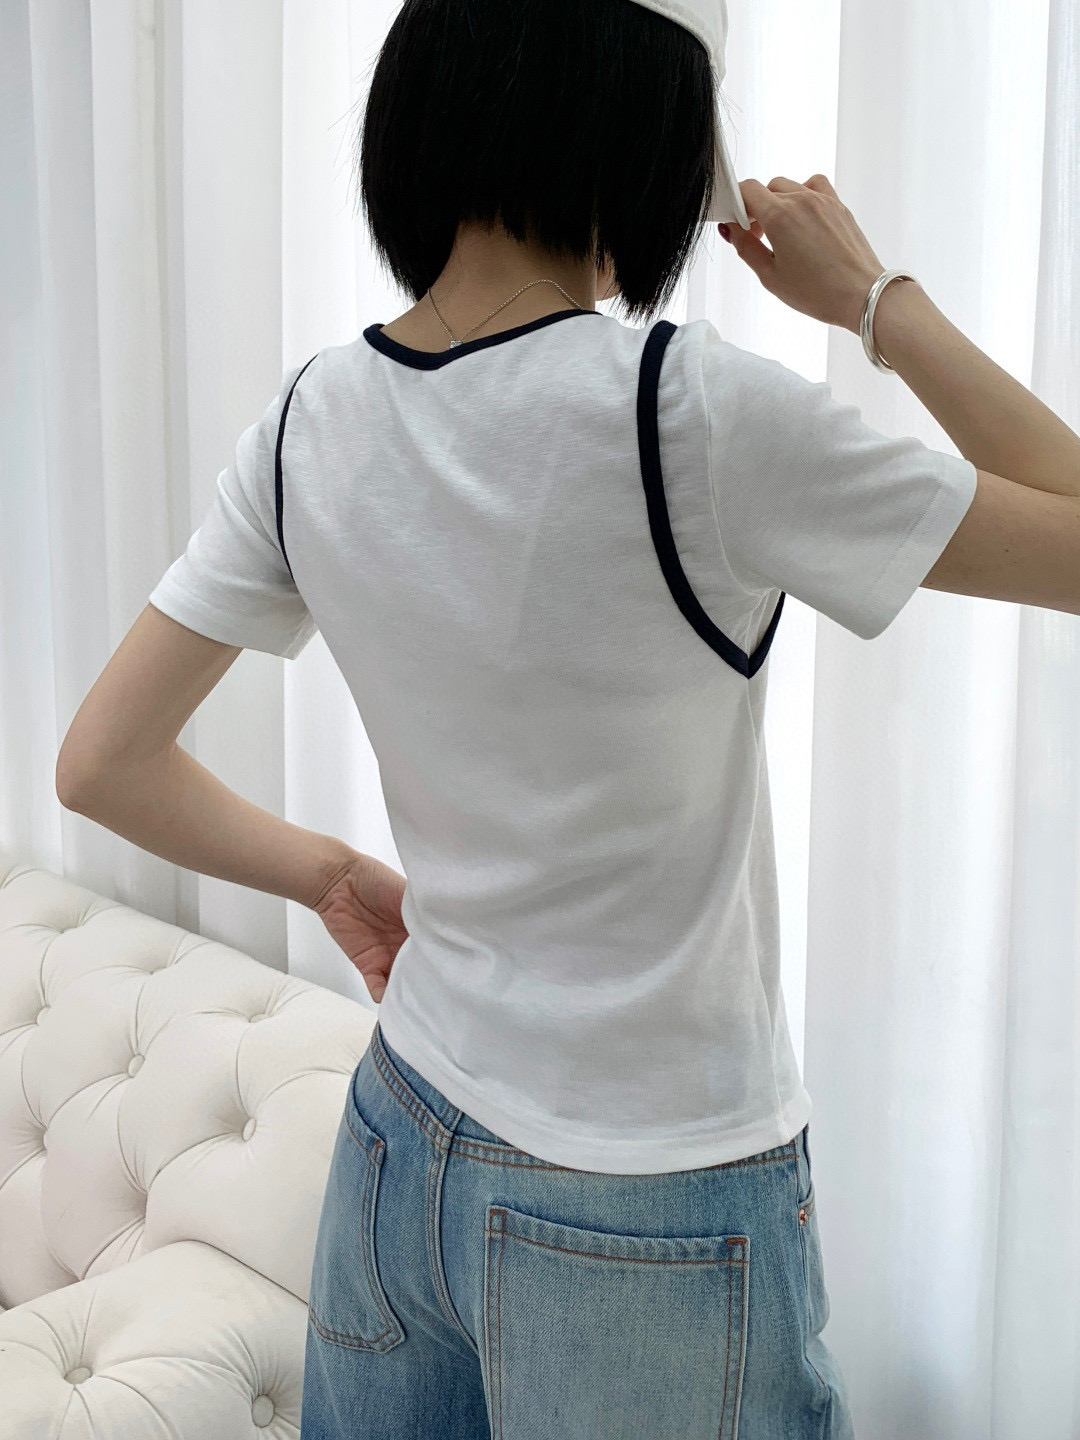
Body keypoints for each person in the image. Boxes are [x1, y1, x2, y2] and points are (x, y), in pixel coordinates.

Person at [55, 0, 1080, 1436]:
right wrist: (874, 300)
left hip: (401, 1136)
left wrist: (329, 874)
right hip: (645, 1192)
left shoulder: (308, 419)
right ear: (635, 163)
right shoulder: (689, 412)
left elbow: (102, 765)